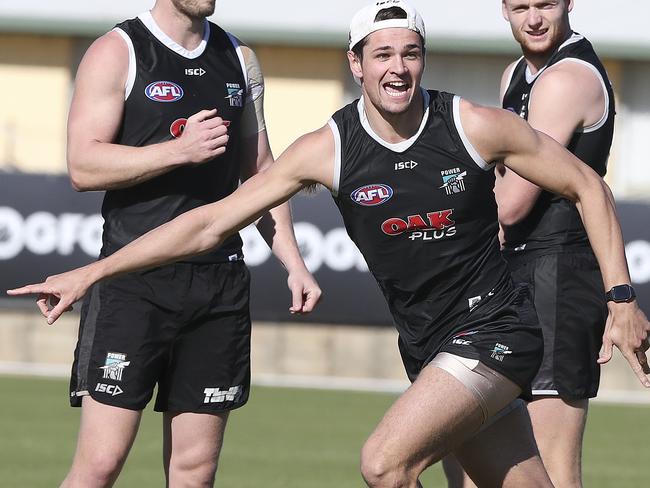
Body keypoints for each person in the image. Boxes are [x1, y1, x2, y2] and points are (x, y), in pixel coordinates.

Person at [9, 1, 650, 487]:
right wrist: (94, 273)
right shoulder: (328, 149)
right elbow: (209, 222)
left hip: (496, 327)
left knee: (384, 463)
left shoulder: (472, 124)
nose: (398, 68)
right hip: (427, 344)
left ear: (423, 57)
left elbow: (589, 187)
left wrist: (620, 298)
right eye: (382, 54)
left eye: (410, 53)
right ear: (356, 63)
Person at [19, 1, 320, 487]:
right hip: (134, 282)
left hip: (218, 285)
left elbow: (262, 173)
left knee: (195, 472)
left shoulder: (238, 56)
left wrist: (293, 262)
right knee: (99, 465)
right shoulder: (117, 51)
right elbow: (83, 165)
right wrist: (179, 151)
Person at [443, 2, 626, 487]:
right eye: (520, 6)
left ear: (568, 3)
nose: (534, 18)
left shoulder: (567, 79)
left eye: (545, 3)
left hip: (558, 273)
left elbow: (511, 203)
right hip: (513, 272)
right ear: (503, 9)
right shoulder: (515, 74)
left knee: (551, 465)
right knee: (466, 450)